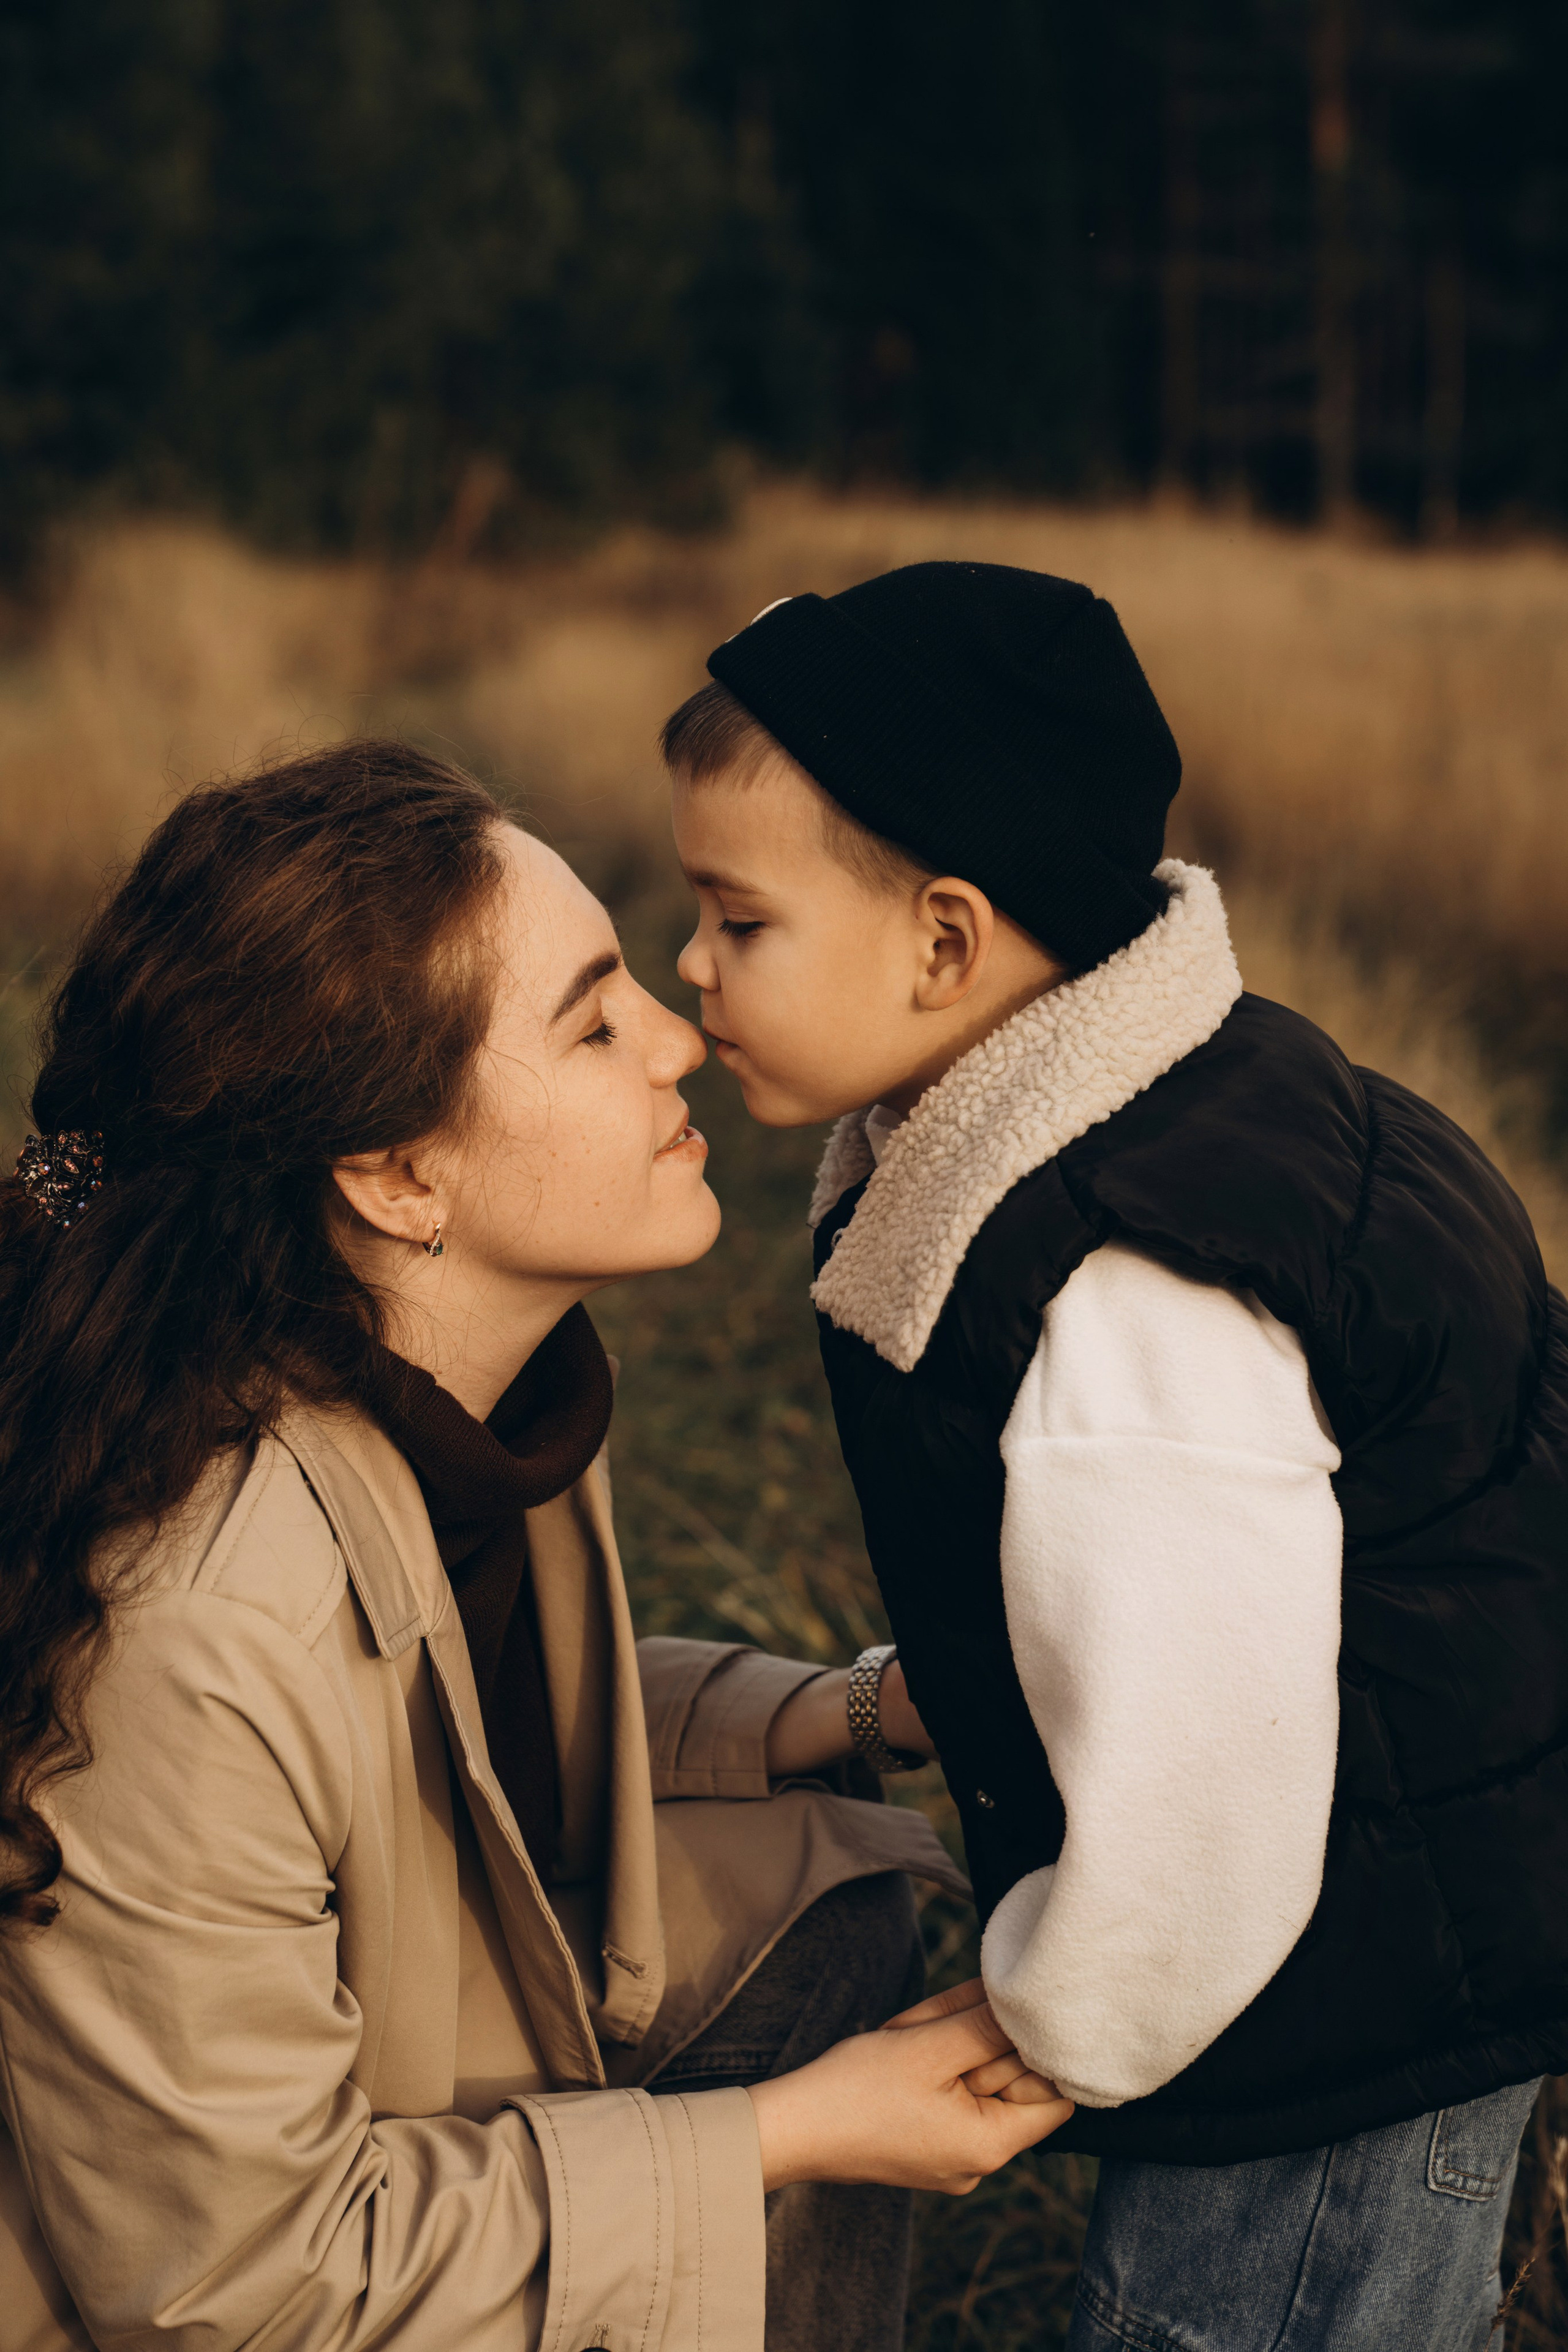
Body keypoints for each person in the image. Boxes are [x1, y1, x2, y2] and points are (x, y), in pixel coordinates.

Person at [0, 742, 1073, 2352]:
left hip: (369, 2059)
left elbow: (438, 1743)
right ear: (397, 1172)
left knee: (825, 1889)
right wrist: (806, 2130)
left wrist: (858, 1709)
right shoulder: (195, 1627)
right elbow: (227, 2287)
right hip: (210, 2282)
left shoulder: (465, 1396)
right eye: (591, 1020)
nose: (678, 1039)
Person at [662, 560, 1568, 2352]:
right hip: (1361, 1959)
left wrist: (1061, 2022)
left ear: (944, 941)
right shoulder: (1173, 1111)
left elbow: (1208, 1782)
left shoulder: (1126, 1291)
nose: (684, 964)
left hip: (1322, 2041)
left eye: (735, 920)